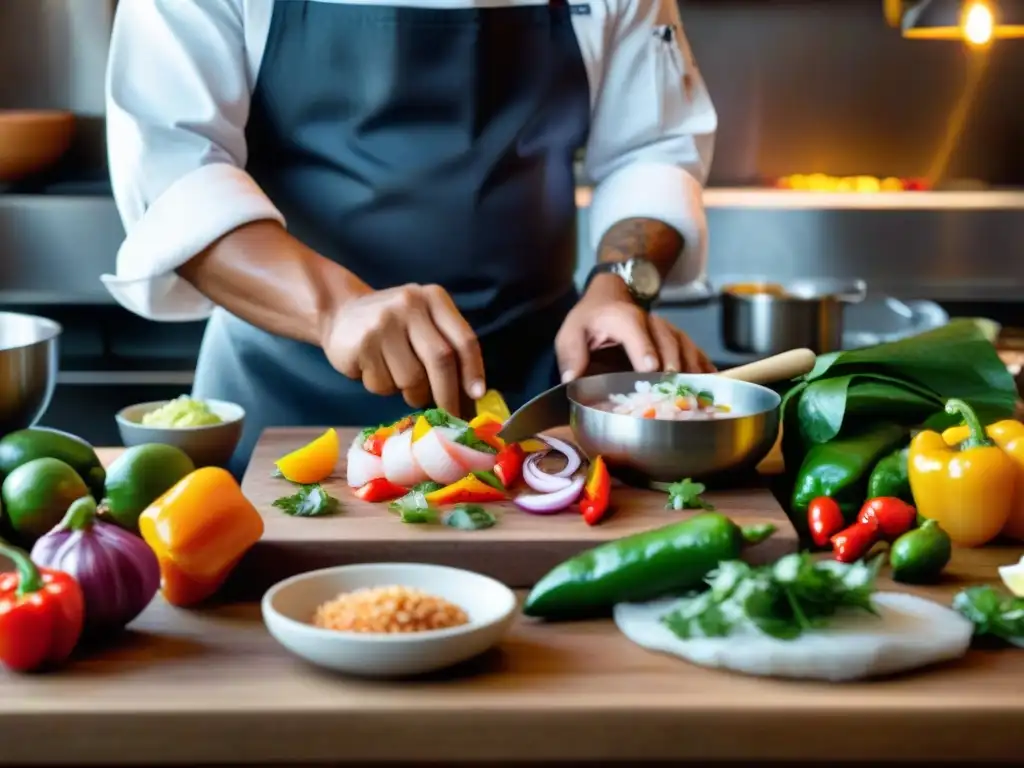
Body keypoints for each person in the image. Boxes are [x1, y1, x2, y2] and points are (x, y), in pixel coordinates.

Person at [101, 0, 718, 477]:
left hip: (528, 399)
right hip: (281, 399)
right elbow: (176, 173)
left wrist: (619, 288)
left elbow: (653, 148)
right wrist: (334, 309)